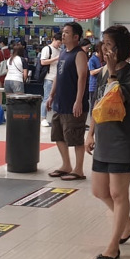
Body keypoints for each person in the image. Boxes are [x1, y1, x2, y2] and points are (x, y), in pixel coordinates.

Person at [86, 24, 130, 259]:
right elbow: (98, 105)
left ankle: (113, 246)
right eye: (103, 44)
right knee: (99, 191)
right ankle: (128, 225)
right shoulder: (104, 72)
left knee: (118, 193)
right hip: (104, 138)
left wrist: (112, 72)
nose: (104, 48)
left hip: (122, 140)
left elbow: (117, 100)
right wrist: (91, 132)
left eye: (109, 45)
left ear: (121, 47)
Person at [45, 22, 89, 182]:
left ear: (76, 37)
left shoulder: (79, 54)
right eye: (63, 32)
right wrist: (51, 95)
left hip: (74, 104)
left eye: (67, 33)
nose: (63, 35)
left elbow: (83, 77)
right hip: (60, 102)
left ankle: (79, 169)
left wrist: (78, 101)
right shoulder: (63, 53)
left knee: (76, 137)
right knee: (58, 135)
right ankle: (66, 165)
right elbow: (58, 74)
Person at [39, 31, 62, 126]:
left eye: (61, 43)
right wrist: (56, 58)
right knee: (47, 98)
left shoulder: (60, 50)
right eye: (58, 42)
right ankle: (43, 118)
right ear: (54, 40)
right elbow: (43, 62)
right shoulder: (47, 49)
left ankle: (54, 118)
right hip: (49, 77)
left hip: (57, 78)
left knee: (56, 99)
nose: (59, 44)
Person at [87, 44, 103, 115]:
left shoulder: (102, 59)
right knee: (93, 105)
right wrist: (102, 69)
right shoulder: (92, 59)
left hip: (101, 85)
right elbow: (92, 72)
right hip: (94, 86)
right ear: (98, 51)